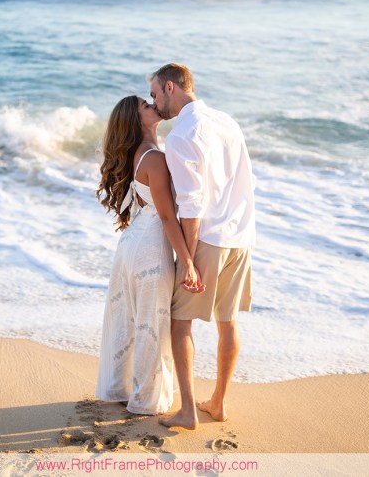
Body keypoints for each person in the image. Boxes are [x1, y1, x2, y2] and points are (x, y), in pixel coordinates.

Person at [148, 63, 256, 431]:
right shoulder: (227, 121)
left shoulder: (181, 135)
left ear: (169, 88)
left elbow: (191, 208)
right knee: (228, 322)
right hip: (240, 238)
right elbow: (244, 180)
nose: (154, 102)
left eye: (154, 95)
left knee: (181, 325)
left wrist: (187, 259)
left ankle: (188, 411)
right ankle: (219, 403)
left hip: (207, 239)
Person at [95, 95, 199, 415]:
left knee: (131, 320)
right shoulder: (153, 158)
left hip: (131, 245)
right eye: (145, 104)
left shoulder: (140, 154)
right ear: (138, 119)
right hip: (150, 249)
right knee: (150, 321)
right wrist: (189, 263)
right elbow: (168, 217)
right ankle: (146, 401)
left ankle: (123, 388)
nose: (153, 105)